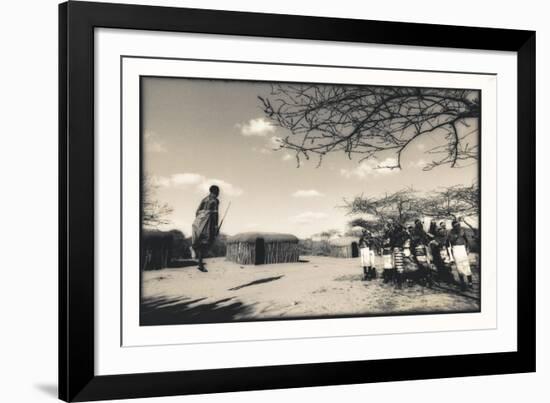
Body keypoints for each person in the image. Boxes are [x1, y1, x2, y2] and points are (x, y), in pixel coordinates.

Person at [191, 185, 220, 272]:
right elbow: (215, 214)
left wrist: (200, 220)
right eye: (218, 192)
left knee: (200, 242)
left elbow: (197, 212)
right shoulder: (215, 201)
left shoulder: (204, 199)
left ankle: (200, 263)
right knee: (206, 242)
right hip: (207, 222)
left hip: (197, 222)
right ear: (215, 192)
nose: (218, 194)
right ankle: (200, 263)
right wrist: (215, 226)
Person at [448, 220, 473, 291]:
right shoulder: (451, 232)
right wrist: (458, 235)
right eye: (455, 225)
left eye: (458, 225)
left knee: (466, 265)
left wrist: (468, 248)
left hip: (462, 249)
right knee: (459, 267)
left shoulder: (462, 230)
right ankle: (462, 283)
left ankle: (470, 283)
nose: (457, 226)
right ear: (453, 226)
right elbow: (451, 241)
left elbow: (466, 240)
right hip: (456, 249)